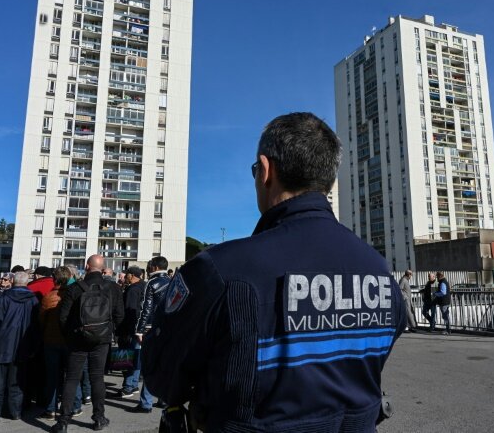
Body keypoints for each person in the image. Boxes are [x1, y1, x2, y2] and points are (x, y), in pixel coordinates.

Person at [142, 112, 406, 432]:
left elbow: (162, 374)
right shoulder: (379, 270)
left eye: (255, 171)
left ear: (266, 171)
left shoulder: (219, 269)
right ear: (327, 179)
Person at [52, 255, 123, 433]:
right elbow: (119, 315)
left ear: (86, 266)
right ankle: (99, 418)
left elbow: (63, 317)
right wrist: (109, 330)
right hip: (102, 339)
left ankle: (63, 421)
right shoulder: (113, 288)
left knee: (72, 379)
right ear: (104, 268)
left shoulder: (75, 288)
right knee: (97, 378)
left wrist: (70, 336)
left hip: (78, 339)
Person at [0, 271, 39, 425]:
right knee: (16, 382)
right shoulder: (34, 300)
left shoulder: (3, 297)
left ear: (13, 281)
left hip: (1, 346)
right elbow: (36, 327)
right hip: (22, 346)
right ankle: (15, 412)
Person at [39, 267, 83, 421]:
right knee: (72, 375)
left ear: (54, 279)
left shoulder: (49, 296)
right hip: (70, 340)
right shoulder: (76, 295)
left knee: (52, 376)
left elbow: (42, 320)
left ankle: (51, 409)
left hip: (51, 340)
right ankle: (76, 405)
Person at [130, 256, 170, 412]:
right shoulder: (172, 281)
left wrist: (140, 330)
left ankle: (146, 402)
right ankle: (163, 399)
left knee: (150, 364)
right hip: (168, 328)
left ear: (154, 267)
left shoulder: (152, 283)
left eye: (148, 265)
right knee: (165, 364)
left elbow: (146, 309)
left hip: (152, 328)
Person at [116, 266, 146, 404]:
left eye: (127, 274)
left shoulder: (132, 289)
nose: (125, 276)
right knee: (136, 357)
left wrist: (125, 330)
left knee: (128, 357)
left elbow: (129, 311)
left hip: (130, 329)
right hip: (140, 327)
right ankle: (132, 384)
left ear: (132, 275)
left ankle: (128, 386)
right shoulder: (144, 286)